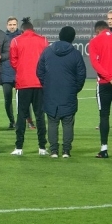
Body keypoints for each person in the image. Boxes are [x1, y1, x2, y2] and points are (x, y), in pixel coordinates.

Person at [36, 26, 86, 158]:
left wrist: (46, 85)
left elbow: (39, 71)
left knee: (52, 122)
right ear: (73, 38)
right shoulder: (75, 53)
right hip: (68, 92)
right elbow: (81, 75)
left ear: (59, 35)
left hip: (50, 92)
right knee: (68, 122)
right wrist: (75, 88)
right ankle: (66, 151)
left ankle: (53, 151)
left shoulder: (47, 51)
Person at [9, 17, 48, 156]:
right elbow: (46, 61)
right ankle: (42, 147)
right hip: (39, 84)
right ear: (33, 29)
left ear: (22, 30)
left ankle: (19, 147)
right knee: (40, 116)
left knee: (21, 115)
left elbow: (13, 61)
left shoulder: (15, 41)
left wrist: (21, 70)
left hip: (23, 83)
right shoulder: (43, 40)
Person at [88, 20, 112, 158]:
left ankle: (104, 149)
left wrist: (109, 78)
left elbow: (95, 63)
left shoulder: (95, 41)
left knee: (104, 115)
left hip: (104, 83)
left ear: (97, 30)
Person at [1, 16, 20, 129]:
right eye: (10, 25)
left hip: (19, 73)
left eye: (14, 24)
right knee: (7, 99)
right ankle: (12, 121)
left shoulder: (21, 37)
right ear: (7, 25)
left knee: (23, 99)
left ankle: (25, 120)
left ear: (17, 25)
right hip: (6, 73)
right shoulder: (3, 37)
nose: (12, 27)